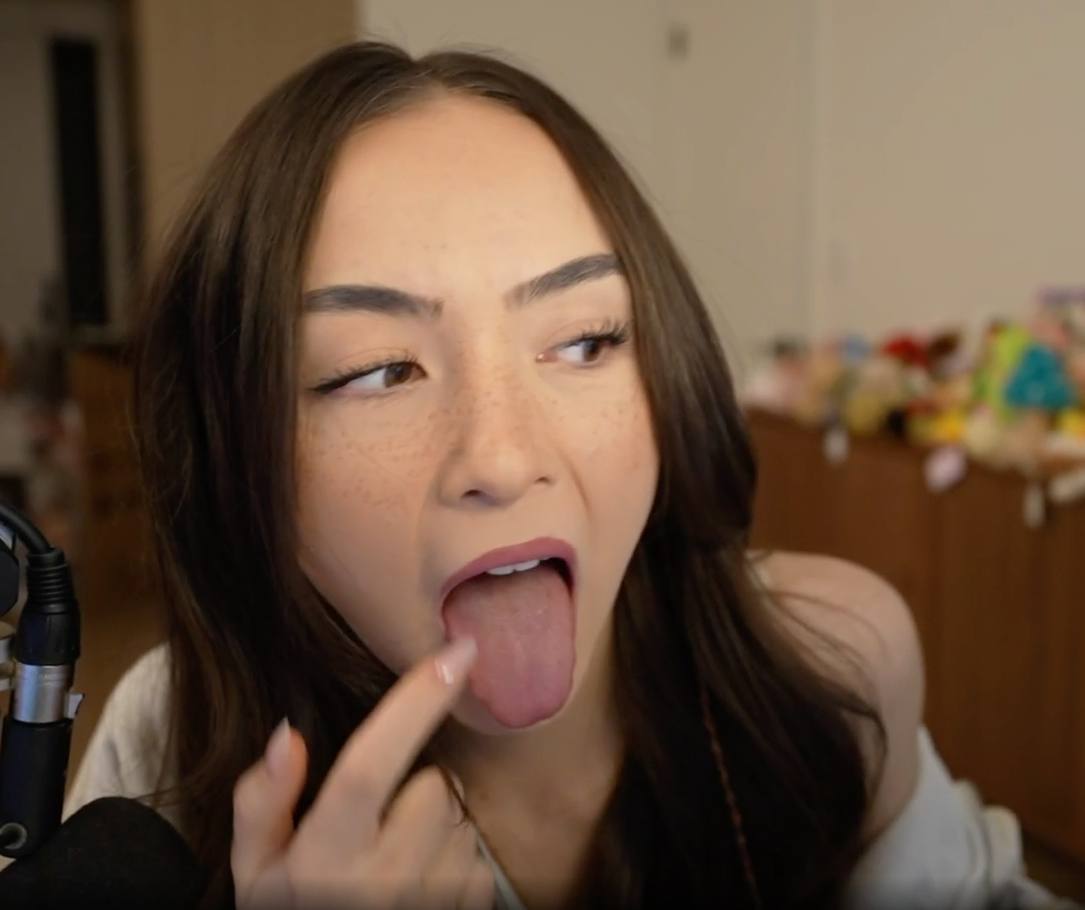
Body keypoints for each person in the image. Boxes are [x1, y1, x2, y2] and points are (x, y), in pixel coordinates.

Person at [64, 41, 1073, 910]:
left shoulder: (826, 666)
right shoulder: (167, 752)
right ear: (236, 451)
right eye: (376, 370)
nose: (505, 459)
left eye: (586, 341)